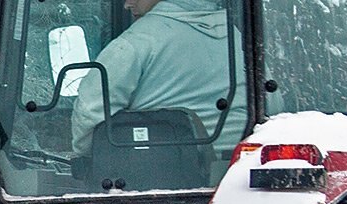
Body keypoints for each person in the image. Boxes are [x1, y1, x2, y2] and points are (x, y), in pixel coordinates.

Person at [70, 0, 246, 158]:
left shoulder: (136, 43)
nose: (127, 4)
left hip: (165, 176)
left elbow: (90, 113)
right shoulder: (239, 40)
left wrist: (87, 159)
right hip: (239, 174)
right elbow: (269, 101)